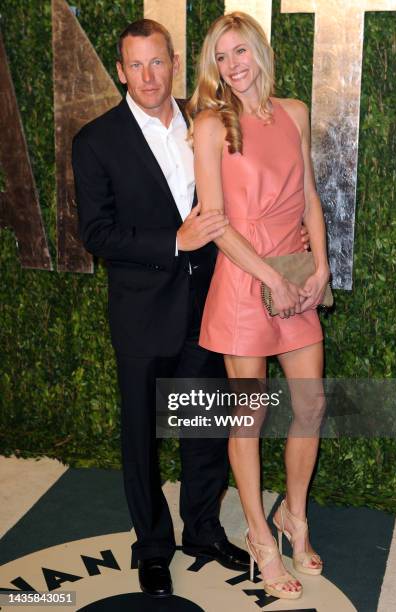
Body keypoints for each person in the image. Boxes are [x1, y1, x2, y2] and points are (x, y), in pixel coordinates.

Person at [71, 19, 252, 598]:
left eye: (158, 63)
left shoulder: (207, 122)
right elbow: (98, 233)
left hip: (207, 306)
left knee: (204, 428)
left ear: (173, 62)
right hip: (142, 313)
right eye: (136, 66)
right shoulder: (96, 140)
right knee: (142, 438)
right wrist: (177, 241)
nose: (149, 77)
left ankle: (202, 530)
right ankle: (152, 545)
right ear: (120, 71)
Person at [186, 12, 330, 601]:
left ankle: (294, 516)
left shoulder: (294, 113)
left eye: (240, 51)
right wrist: (272, 276)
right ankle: (261, 540)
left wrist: (319, 267)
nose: (232, 66)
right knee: (248, 418)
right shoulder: (211, 125)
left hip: (296, 280)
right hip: (247, 283)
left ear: (260, 53)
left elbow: (311, 199)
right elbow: (216, 224)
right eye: (221, 57)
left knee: (311, 405)